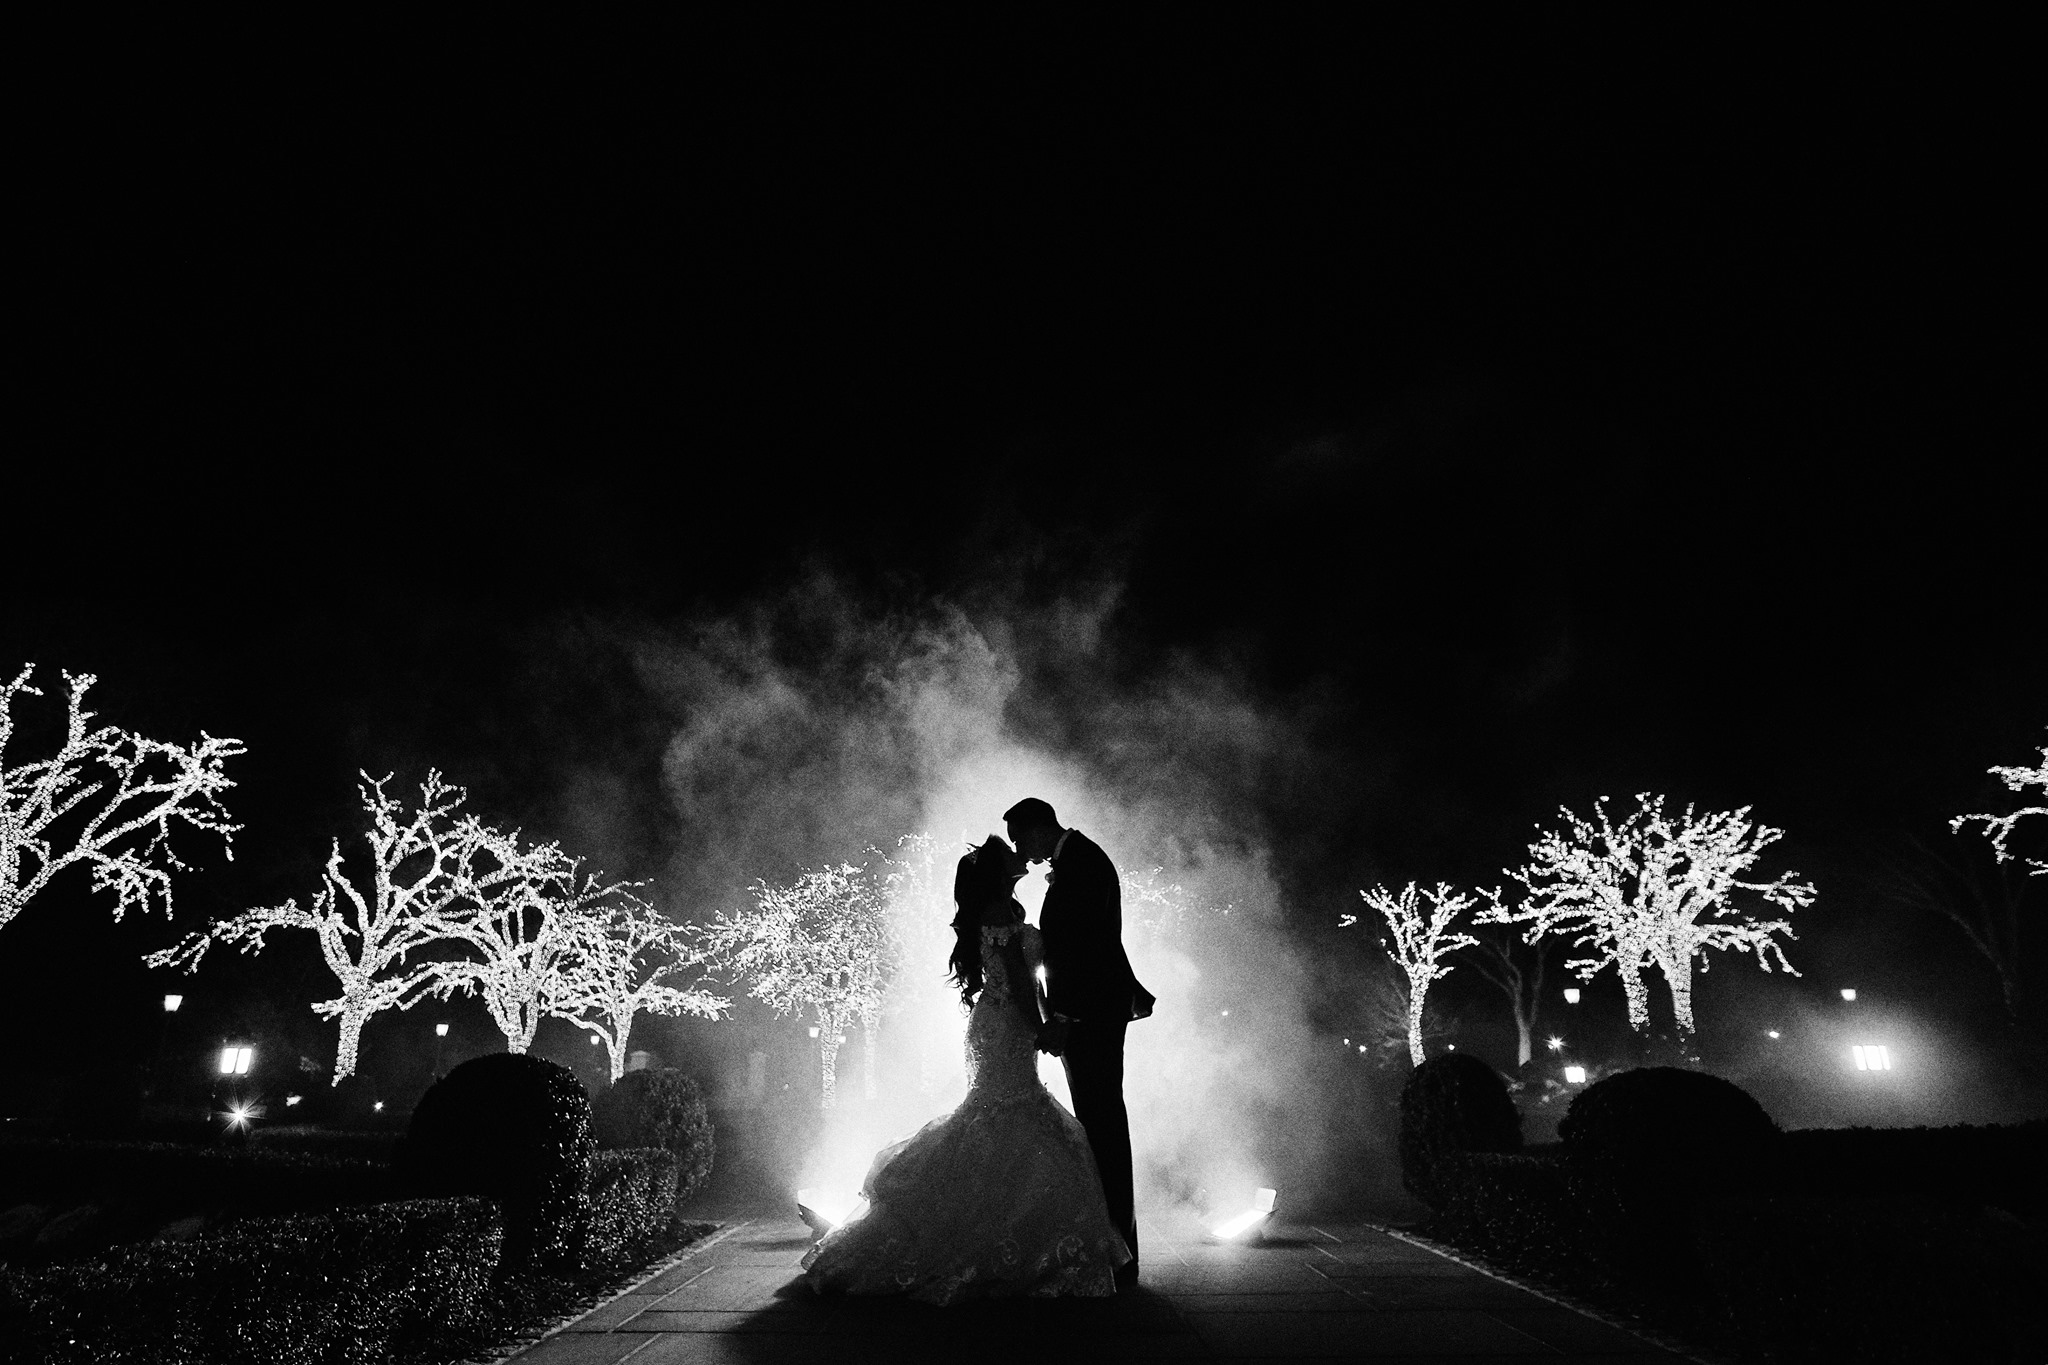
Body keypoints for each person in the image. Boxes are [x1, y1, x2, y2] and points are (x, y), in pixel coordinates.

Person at [801, 835, 1131, 1303]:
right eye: (1010, 852)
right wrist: (1041, 1028)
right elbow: (1020, 983)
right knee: (1008, 1113)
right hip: (1007, 1025)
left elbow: (1024, 978)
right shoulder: (1001, 914)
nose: (1020, 854)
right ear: (999, 871)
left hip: (996, 1023)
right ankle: (999, 1244)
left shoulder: (1005, 911)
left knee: (999, 1115)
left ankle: (1000, 1233)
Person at [1004, 797, 1152, 1290]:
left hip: (1089, 1016)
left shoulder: (1083, 863)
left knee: (1103, 1123)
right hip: (1093, 1012)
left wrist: (1066, 1013)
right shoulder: (1080, 859)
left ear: (1038, 827)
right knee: (1101, 1122)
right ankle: (1114, 1247)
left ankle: (1119, 1252)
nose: (1020, 851)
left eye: (1019, 838)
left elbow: (1088, 947)